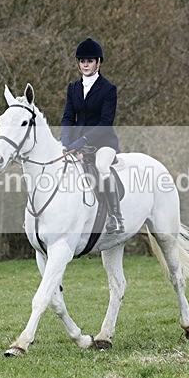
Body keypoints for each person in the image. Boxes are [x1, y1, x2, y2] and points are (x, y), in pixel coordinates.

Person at [60, 37, 124, 234]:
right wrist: (65, 140)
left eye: (89, 61)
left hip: (103, 142)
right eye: (82, 61)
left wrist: (81, 142)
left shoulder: (108, 89)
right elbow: (68, 117)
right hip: (76, 142)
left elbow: (106, 122)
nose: (85, 64)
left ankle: (116, 217)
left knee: (102, 167)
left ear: (98, 62)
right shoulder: (73, 88)